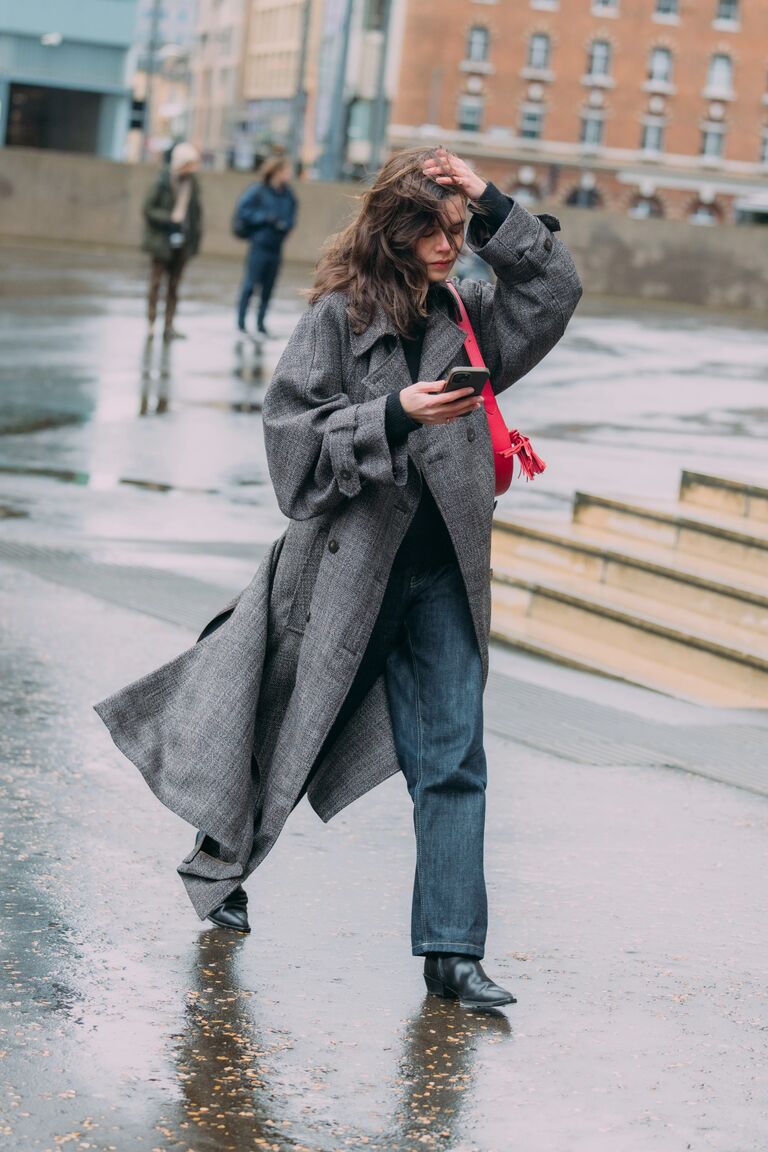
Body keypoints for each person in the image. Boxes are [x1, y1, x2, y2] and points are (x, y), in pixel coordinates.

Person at [95, 147, 582, 1011]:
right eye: (432, 229)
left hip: (442, 572)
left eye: (457, 228)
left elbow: (553, 290)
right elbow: (292, 455)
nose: (450, 244)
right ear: (393, 232)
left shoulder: (470, 313)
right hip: (339, 576)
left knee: (454, 756)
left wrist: (488, 198)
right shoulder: (334, 320)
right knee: (279, 728)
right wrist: (393, 414)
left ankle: (452, 955)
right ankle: (219, 867)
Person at [142, 142, 203, 341]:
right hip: (162, 240)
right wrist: (169, 219)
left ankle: (169, 326)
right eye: (189, 164)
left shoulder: (193, 183)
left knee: (174, 286)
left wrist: (194, 240)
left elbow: (196, 213)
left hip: (183, 241)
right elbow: (148, 209)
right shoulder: (162, 181)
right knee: (156, 284)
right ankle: (151, 322)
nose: (192, 168)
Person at [234, 156, 297, 338]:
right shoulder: (258, 191)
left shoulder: (288, 194)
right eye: (287, 170)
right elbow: (243, 211)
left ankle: (261, 324)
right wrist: (264, 218)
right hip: (259, 245)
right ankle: (241, 323)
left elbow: (292, 214)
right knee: (250, 285)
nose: (289, 174)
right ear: (277, 171)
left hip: (276, 246)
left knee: (268, 287)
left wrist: (285, 225)